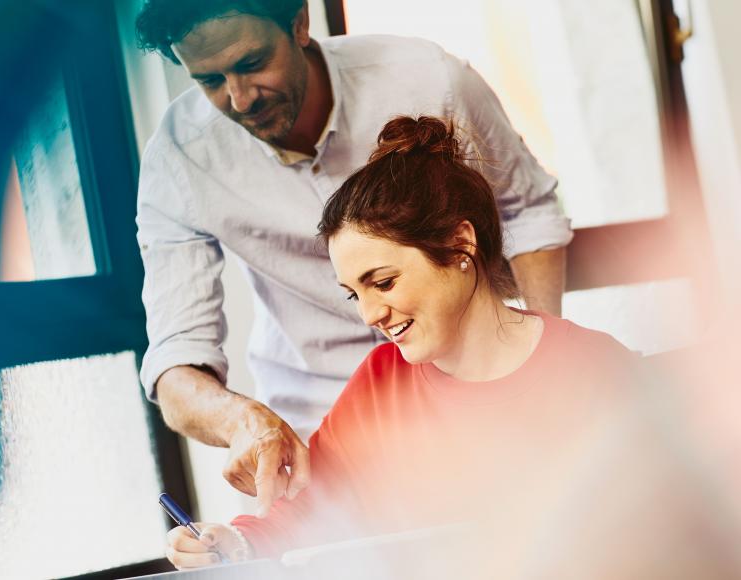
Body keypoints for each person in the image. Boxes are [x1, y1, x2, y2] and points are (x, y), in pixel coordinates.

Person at [163, 117, 704, 576]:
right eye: (354, 294)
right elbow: (304, 509)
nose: (370, 315)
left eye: (384, 282)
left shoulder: (594, 369)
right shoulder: (381, 383)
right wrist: (231, 545)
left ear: (459, 244)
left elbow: (682, 529)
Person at [134, 0, 573, 517]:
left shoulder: (430, 79)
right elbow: (175, 357)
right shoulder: (180, 157)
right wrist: (241, 421)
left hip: (472, 397)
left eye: (252, 65)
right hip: (319, 429)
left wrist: (535, 369)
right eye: (209, 79)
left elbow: (528, 213)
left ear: (299, 23)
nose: (240, 98)